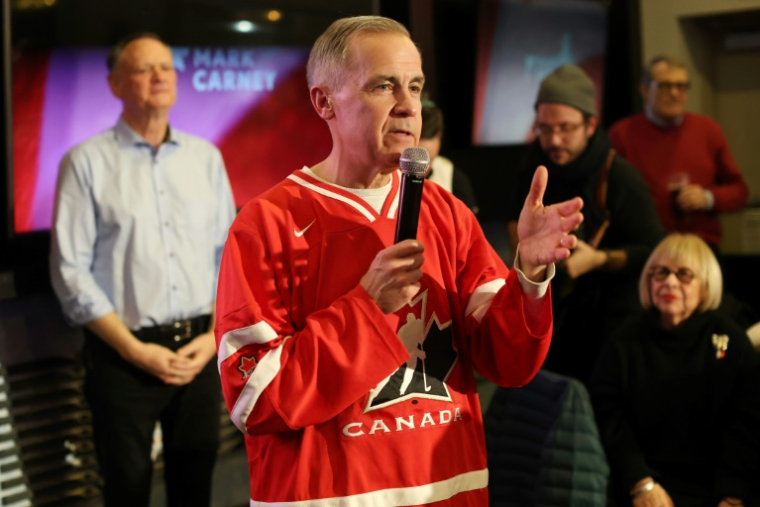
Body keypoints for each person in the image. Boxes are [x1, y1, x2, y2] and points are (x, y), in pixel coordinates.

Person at [214, 16, 583, 506]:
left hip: (448, 492)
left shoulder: (447, 213)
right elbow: (255, 399)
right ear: (324, 102)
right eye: (384, 86)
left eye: (415, 86)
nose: (410, 107)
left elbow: (509, 363)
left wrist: (530, 275)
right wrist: (367, 308)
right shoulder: (266, 225)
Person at [49, 33, 236, 506]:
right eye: (144, 69)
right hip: (122, 358)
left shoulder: (205, 158)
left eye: (167, 68)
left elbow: (227, 257)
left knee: (195, 486)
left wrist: (214, 336)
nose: (159, 77)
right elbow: (71, 272)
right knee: (127, 488)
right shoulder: (85, 163)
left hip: (200, 349)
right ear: (114, 84)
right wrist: (135, 351)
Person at [506, 64, 665, 382]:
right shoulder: (532, 168)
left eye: (565, 128)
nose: (554, 140)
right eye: (544, 128)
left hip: (611, 325)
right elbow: (513, 224)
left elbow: (655, 251)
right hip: (550, 318)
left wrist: (600, 260)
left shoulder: (619, 176)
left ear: (591, 125)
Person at [589, 233, 760, 507]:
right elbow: (609, 419)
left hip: (716, 486)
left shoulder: (732, 342)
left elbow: (746, 427)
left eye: (684, 274)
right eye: (661, 273)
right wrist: (641, 483)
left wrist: (733, 495)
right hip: (642, 483)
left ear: (705, 285)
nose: (670, 281)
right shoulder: (624, 340)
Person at [609, 55, 749, 250]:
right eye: (665, 86)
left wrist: (708, 198)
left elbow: (740, 192)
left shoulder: (708, 130)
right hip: (644, 248)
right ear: (645, 90)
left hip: (700, 247)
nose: (675, 93)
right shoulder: (622, 133)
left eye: (681, 86)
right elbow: (609, 198)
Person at [419, 100, 479, 214]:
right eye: (415, 161)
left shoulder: (453, 177)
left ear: (440, 137)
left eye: (428, 161)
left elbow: (468, 226)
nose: (422, 171)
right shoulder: (387, 175)